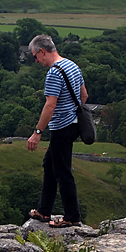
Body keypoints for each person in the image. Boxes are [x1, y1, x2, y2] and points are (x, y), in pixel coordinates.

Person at [26, 34, 88, 228]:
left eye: (35, 57)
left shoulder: (54, 72)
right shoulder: (72, 65)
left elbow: (50, 105)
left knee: (63, 172)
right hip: (73, 125)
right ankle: (44, 211)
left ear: (42, 51)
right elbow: (84, 95)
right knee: (50, 165)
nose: (36, 61)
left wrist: (37, 132)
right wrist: (71, 110)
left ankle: (72, 217)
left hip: (62, 127)